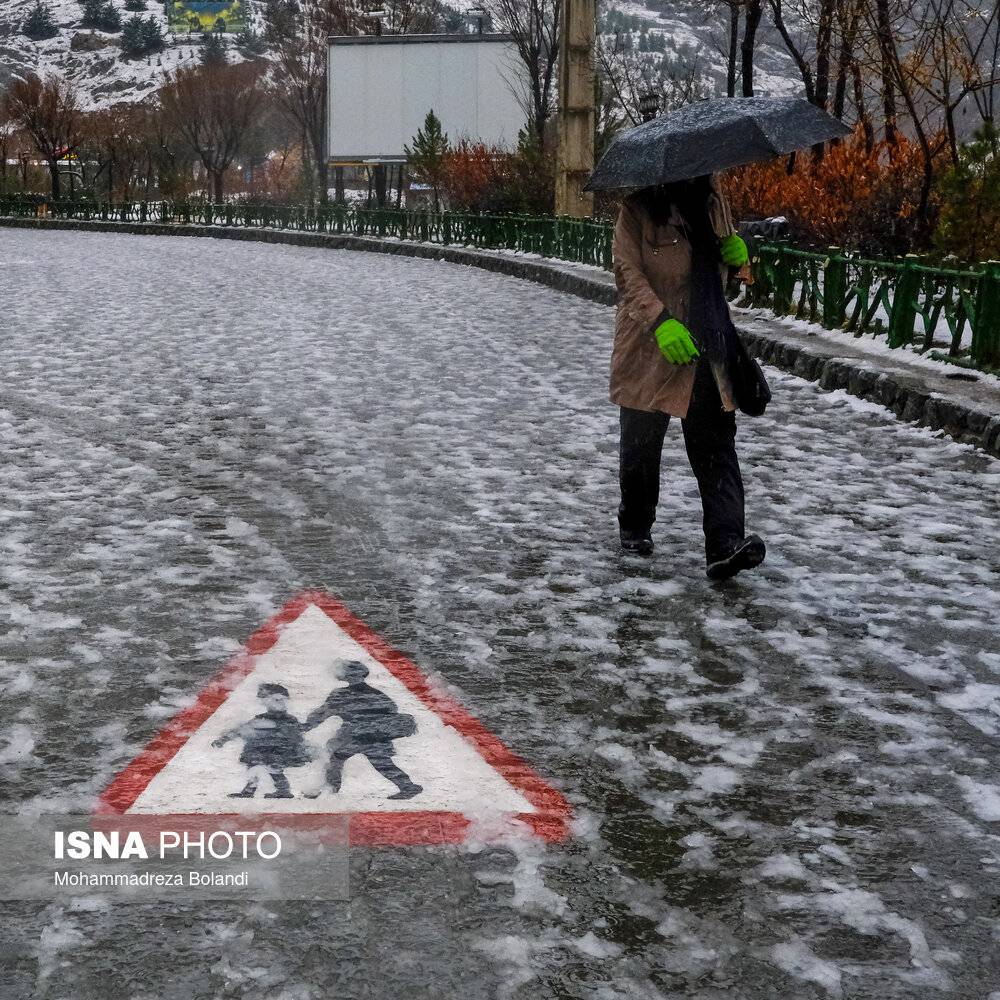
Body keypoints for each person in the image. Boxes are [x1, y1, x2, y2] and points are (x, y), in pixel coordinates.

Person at [611, 173, 766, 581]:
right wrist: (660, 321)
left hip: (707, 347)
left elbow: (723, 282)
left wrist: (739, 257)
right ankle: (635, 526)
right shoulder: (637, 211)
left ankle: (725, 544)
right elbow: (628, 275)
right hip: (650, 348)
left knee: (716, 448)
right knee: (641, 450)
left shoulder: (714, 204)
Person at [303, 660, 422, 800]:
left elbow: (322, 713)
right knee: (383, 764)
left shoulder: (341, 694)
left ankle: (331, 789)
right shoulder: (377, 693)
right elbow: (392, 709)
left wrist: (305, 727)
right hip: (376, 736)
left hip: (354, 736)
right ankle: (407, 786)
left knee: (336, 757)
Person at [212, 682, 312, 799]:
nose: (268, 702)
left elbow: (296, 735)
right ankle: (250, 790)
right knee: (254, 764)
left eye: (278, 700)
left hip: (279, 750)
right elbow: (242, 729)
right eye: (265, 698)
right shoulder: (262, 718)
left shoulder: (289, 720)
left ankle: (283, 790)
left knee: (274, 768)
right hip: (262, 750)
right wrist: (223, 739)